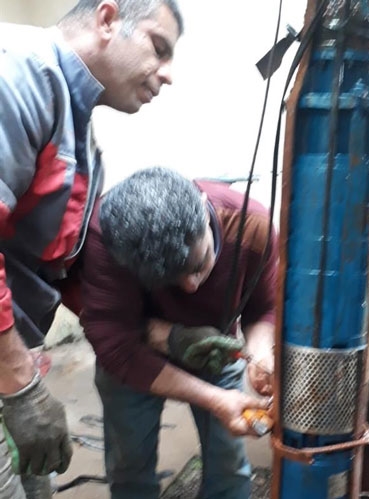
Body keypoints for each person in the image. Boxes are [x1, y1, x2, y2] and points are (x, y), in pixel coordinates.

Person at [0, 0, 183, 493]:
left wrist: (163, 334)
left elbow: (59, 264)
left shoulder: (75, 125)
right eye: (159, 48)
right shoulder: (17, 75)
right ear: (107, 20)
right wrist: (19, 384)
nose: (168, 75)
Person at [79, 167, 277, 499]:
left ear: (203, 211)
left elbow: (263, 307)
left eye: (199, 265)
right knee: (130, 468)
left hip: (216, 352)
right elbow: (115, 346)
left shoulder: (252, 226)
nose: (191, 286)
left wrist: (259, 353)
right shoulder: (107, 241)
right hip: (135, 356)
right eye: (170, 279)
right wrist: (214, 399)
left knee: (229, 467)